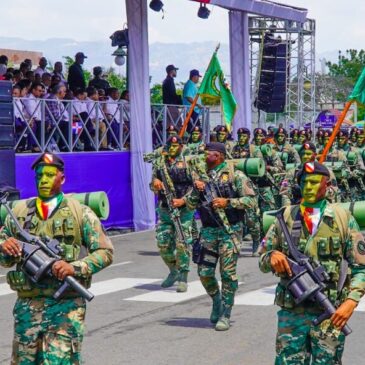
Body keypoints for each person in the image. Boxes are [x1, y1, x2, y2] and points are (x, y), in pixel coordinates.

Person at [0, 152, 114, 364]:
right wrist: (4, 247)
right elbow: (5, 259)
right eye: (39, 175)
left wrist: (75, 267)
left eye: (50, 175)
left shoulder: (80, 212)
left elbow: (105, 252)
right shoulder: (19, 212)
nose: (43, 180)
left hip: (65, 307)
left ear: (62, 178)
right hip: (28, 306)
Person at [259, 161, 365, 364]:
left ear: (327, 185)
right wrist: (272, 256)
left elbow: (361, 267)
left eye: (315, 183)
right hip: (292, 314)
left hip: (330, 312)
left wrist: (351, 302)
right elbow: (263, 260)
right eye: (304, 183)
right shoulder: (286, 216)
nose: (308, 188)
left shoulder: (343, 218)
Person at [179, 142, 256, 330]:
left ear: (219, 156)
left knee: (228, 274)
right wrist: (196, 191)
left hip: (230, 230)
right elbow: (189, 204)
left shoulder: (235, 175)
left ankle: (226, 313)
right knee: (204, 272)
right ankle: (217, 300)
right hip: (208, 230)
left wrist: (228, 202)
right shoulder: (201, 176)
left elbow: (251, 201)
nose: (204, 157)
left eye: (208, 154)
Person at [150, 136, 194, 293]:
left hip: (184, 210)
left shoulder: (189, 162)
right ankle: (173, 270)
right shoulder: (160, 163)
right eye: (170, 145)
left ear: (181, 146)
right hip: (165, 208)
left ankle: (183, 277)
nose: (173, 148)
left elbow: (197, 186)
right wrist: (155, 183)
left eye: (176, 145)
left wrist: (183, 201)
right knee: (163, 244)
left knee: (182, 244)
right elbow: (153, 184)